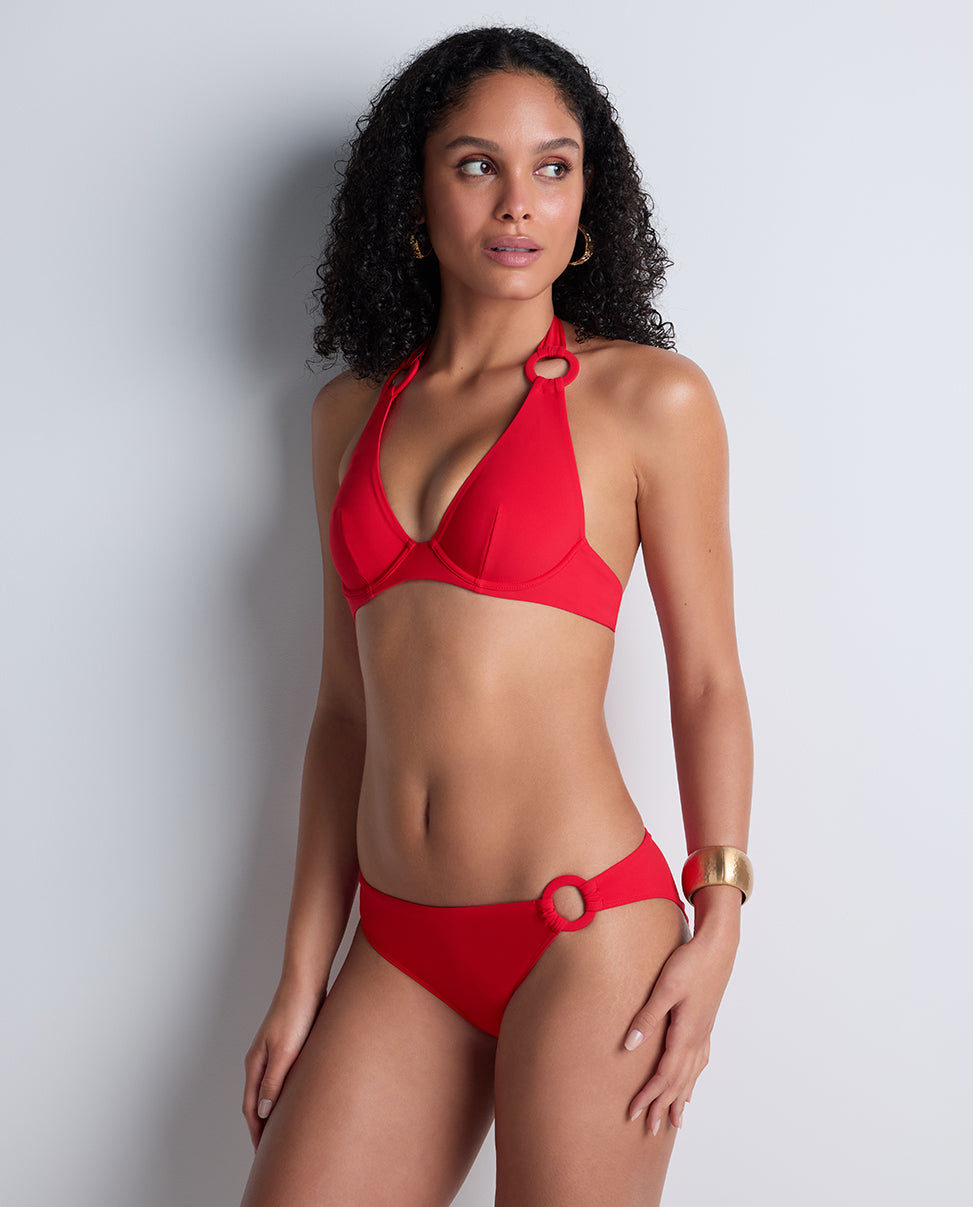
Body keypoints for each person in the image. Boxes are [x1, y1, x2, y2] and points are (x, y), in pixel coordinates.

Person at [240, 26, 753, 1207]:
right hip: (398, 946)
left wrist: (718, 917)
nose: (518, 202)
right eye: (477, 164)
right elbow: (341, 715)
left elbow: (708, 680)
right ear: (414, 196)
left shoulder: (649, 400)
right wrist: (302, 974)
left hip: (584, 930)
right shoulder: (346, 417)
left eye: (552, 167)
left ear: (588, 199)